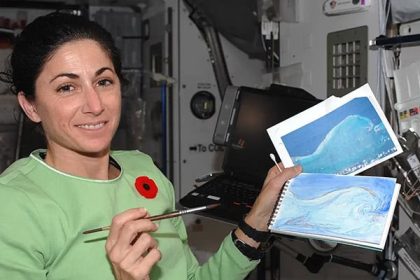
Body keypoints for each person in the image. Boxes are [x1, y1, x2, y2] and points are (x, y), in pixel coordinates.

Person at [0, 12, 301, 280]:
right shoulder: (13, 204)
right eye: (67, 87)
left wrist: (256, 221)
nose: (94, 105)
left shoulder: (142, 168)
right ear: (31, 106)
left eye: (104, 81)